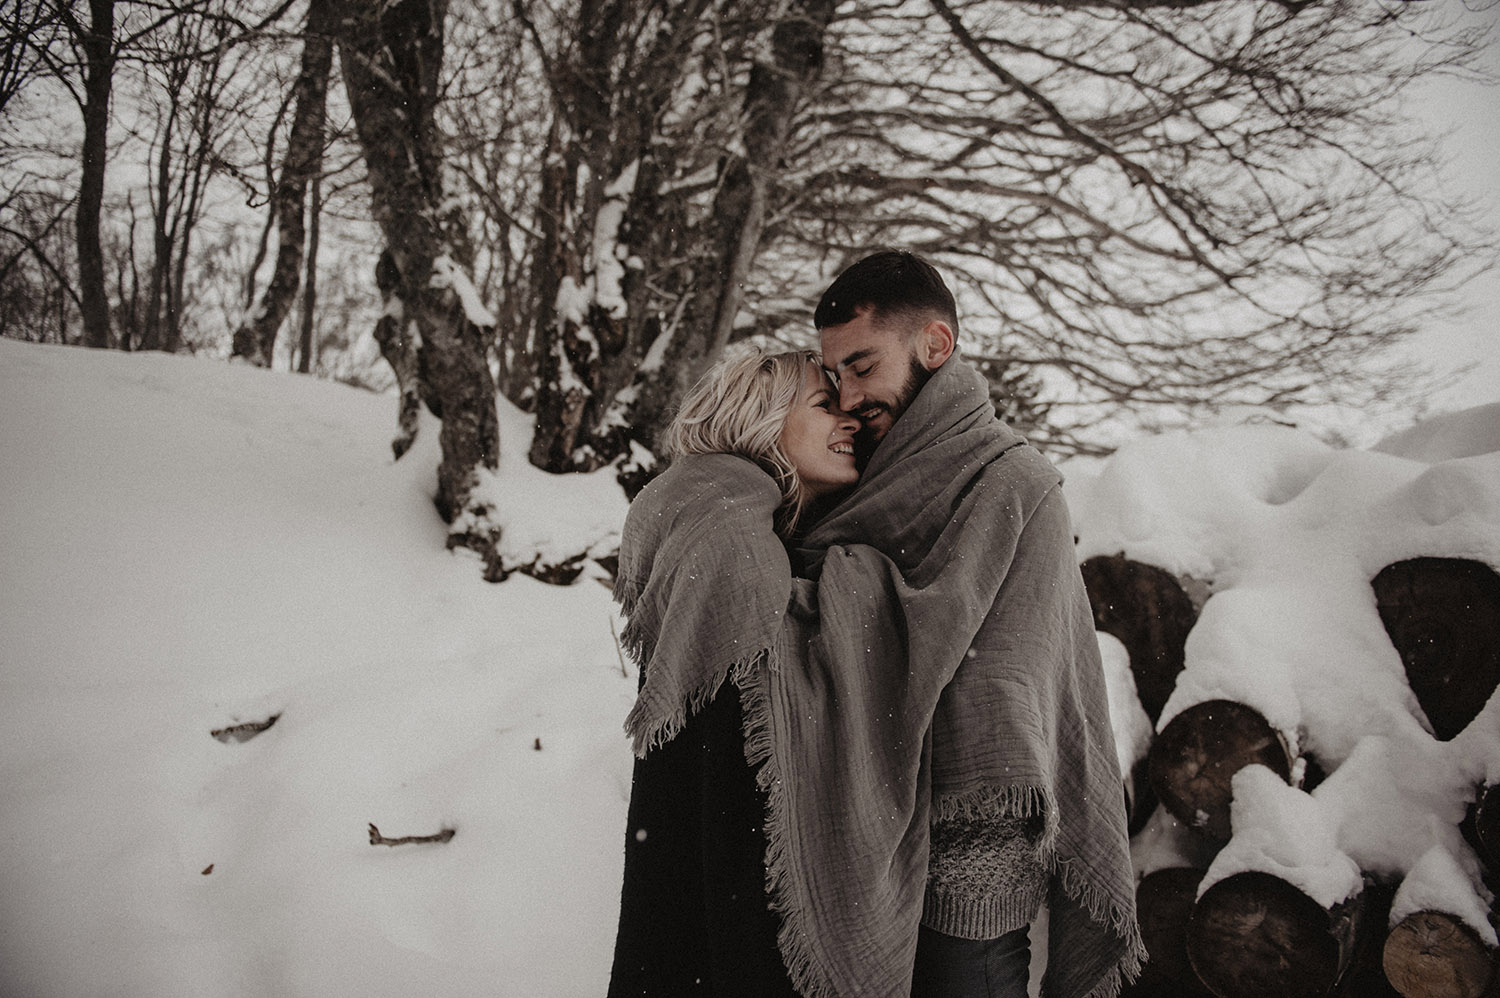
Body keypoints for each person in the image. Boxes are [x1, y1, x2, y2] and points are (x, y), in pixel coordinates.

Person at [807, 250, 1142, 998]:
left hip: (972, 868)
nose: (848, 395)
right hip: (854, 844)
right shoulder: (850, 480)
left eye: (862, 366)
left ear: (934, 345)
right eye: (835, 377)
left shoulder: (1016, 483)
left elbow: (1017, 679)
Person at [607, 348, 860, 998]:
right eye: (825, 405)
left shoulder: (715, 507)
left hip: (685, 899)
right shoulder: (733, 540)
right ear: (764, 418)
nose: (850, 421)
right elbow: (740, 791)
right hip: (731, 908)